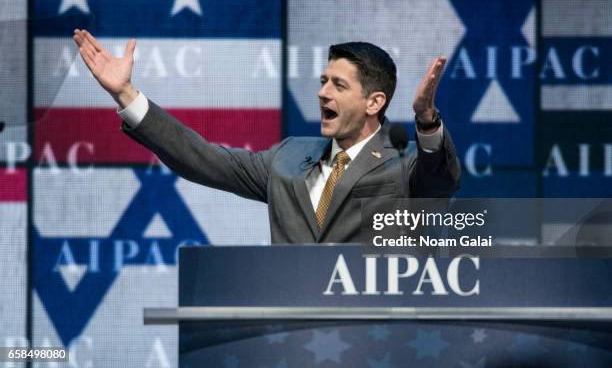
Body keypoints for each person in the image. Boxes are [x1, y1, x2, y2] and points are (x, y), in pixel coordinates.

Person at [73, 29, 460, 243]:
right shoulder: (288, 157)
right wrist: (125, 95)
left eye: (339, 85)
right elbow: (202, 159)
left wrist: (426, 119)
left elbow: (440, 181)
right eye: (323, 81)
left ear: (374, 102)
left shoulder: (406, 163)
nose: (323, 92)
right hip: (284, 336)